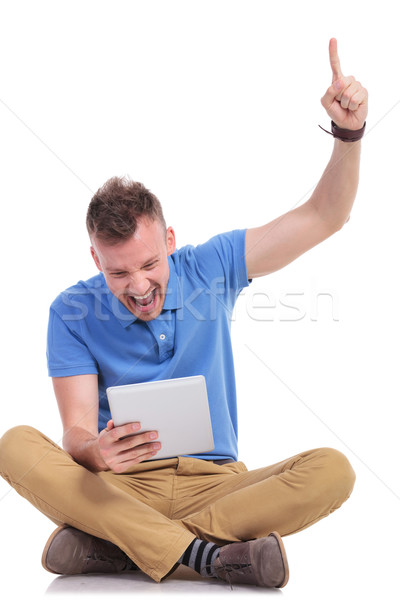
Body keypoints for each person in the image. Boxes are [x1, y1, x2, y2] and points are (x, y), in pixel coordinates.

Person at [0, 38, 367, 589]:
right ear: (94, 259)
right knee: (16, 446)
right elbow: (74, 433)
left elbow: (324, 216)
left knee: (333, 470)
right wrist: (94, 452)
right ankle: (208, 557)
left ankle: (121, 547)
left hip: (217, 484)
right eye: (118, 273)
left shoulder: (212, 265)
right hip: (121, 484)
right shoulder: (71, 311)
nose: (139, 285)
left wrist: (348, 134)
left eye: (149, 264)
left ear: (169, 241)